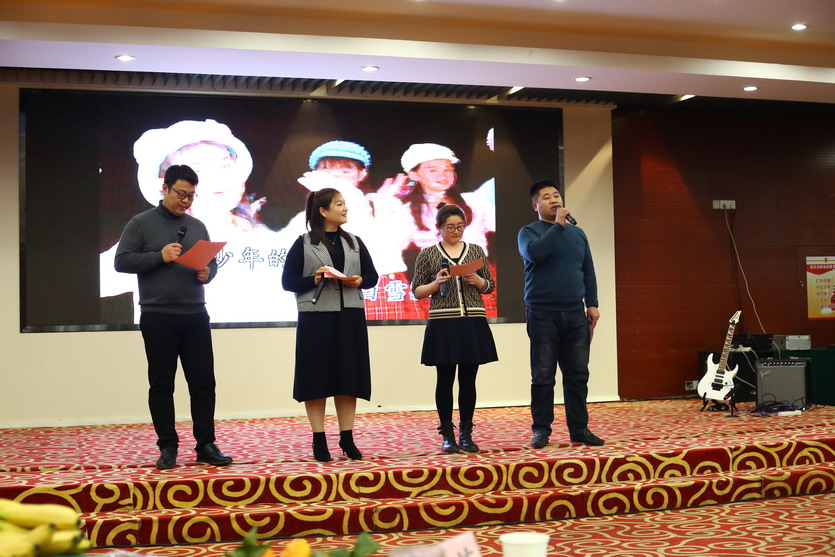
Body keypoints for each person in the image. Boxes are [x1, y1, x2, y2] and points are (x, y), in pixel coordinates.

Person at [102, 119, 296, 324]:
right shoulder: (152, 237)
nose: (218, 178)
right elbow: (91, 282)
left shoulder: (272, 241)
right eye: (198, 171)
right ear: (165, 187)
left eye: (224, 165)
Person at [114, 164, 234, 469]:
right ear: (164, 188)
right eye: (181, 194)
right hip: (158, 316)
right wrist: (159, 256)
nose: (186, 201)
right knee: (162, 383)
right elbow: (122, 261)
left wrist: (208, 273)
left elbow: (211, 264)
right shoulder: (140, 223)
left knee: (203, 382)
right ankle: (167, 446)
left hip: (195, 314)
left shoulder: (198, 226)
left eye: (191, 195)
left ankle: (206, 444)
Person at [281, 187, 379, 462]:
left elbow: (372, 276)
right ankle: (319, 439)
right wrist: (313, 279)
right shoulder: (303, 243)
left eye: (345, 203)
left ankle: (347, 438)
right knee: (316, 379)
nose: (345, 208)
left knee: (349, 378)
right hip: (316, 318)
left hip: (350, 316)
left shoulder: (355, 242)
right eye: (339, 204)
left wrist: (359, 280)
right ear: (323, 211)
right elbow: (288, 281)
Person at [280, 140, 418, 319]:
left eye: (346, 171)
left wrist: (346, 193)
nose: (337, 178)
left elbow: (385, 245)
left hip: (378, 290)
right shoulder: (303, 219)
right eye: (328, 172)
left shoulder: (384, 203)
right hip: (326, 292)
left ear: (362, 174)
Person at [517, 179, 603, 448]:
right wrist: (557, 226)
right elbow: (535, 254)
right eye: (546, 197)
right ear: (535, 205)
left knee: (578, 375)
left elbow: (587, 269)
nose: (554, 200)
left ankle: (580, 429)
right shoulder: (528, 232)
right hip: (542, 314)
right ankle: (541, 430)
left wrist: (592, 303)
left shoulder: (578, 234)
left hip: (575, 313)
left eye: (556, 195)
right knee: (543, 376)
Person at [411, 204, 497, 453]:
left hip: (472, 319)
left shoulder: (475, 251)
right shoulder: (428, 254)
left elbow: (489, 286)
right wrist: (436, 283)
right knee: (445, 378)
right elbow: (417, 291)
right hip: (443, 321)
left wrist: (478, 281)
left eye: (460, 226)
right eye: (450, 227)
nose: (456, 231)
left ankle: (466, 433)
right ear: (438, 227)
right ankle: (447, 434)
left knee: (469, 379)